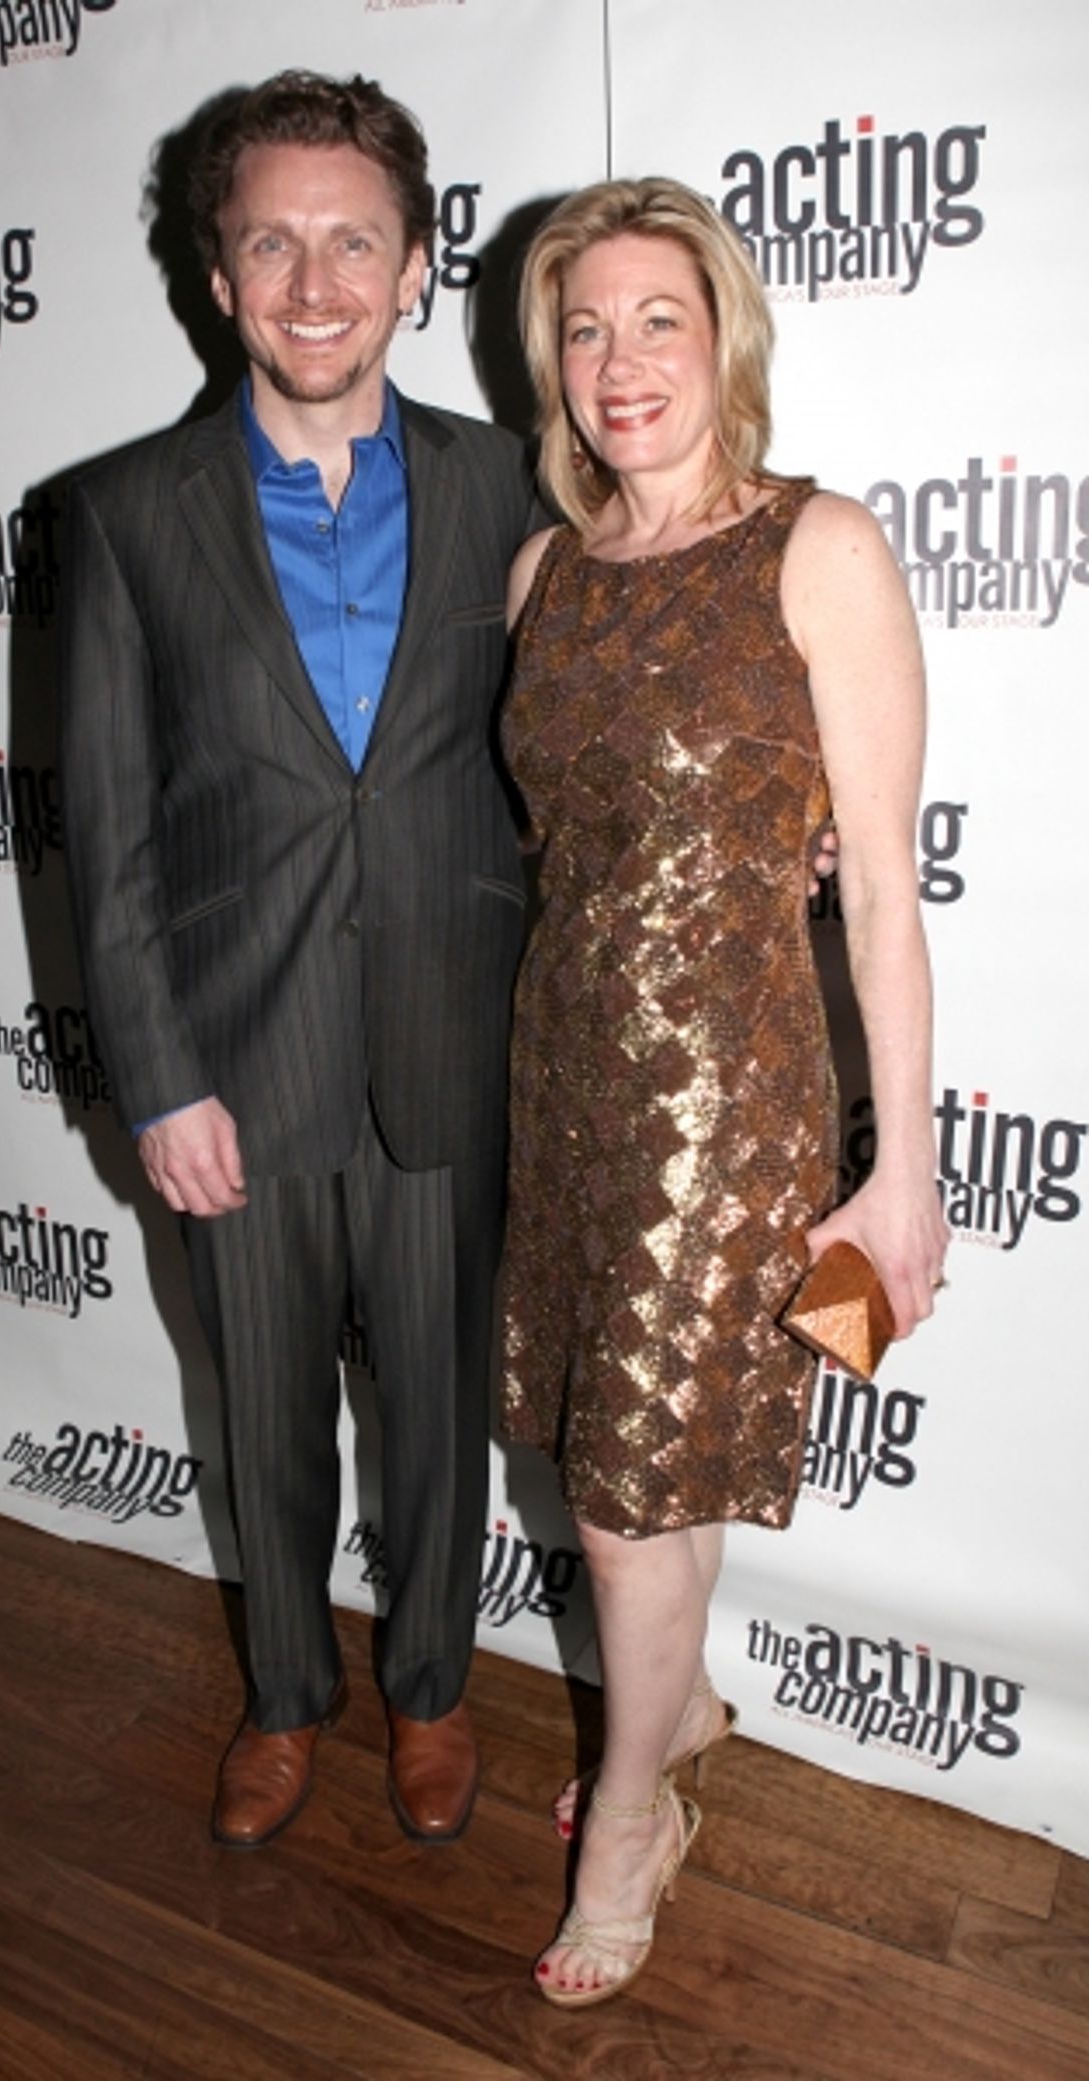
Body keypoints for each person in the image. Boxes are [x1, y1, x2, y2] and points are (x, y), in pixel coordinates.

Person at [61, 70, 538, 1849]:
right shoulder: (121, 515)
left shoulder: (512, 487)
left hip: (446, 1052)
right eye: (273, 242)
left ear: (418, 265)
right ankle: (283, 1694)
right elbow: (105, 838)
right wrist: (158, 1074)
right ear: (217, 276)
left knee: (437, 1422)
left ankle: (427, 1690)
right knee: (259, 1425)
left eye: (354, 242)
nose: (314, 284)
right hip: (233, 1073)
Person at [498, 177, 949, 2006]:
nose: (621, 362)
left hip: (734, 1086)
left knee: (628, 1481)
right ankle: (681, 1703)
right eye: (585, 328)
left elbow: (889, 894)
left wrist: (901, 1165)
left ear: (725, 334)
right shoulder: (541, 571)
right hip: (565, 1066)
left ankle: (633, 1813)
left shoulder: (817, 548)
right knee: (614, 1442)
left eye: (656, 320)